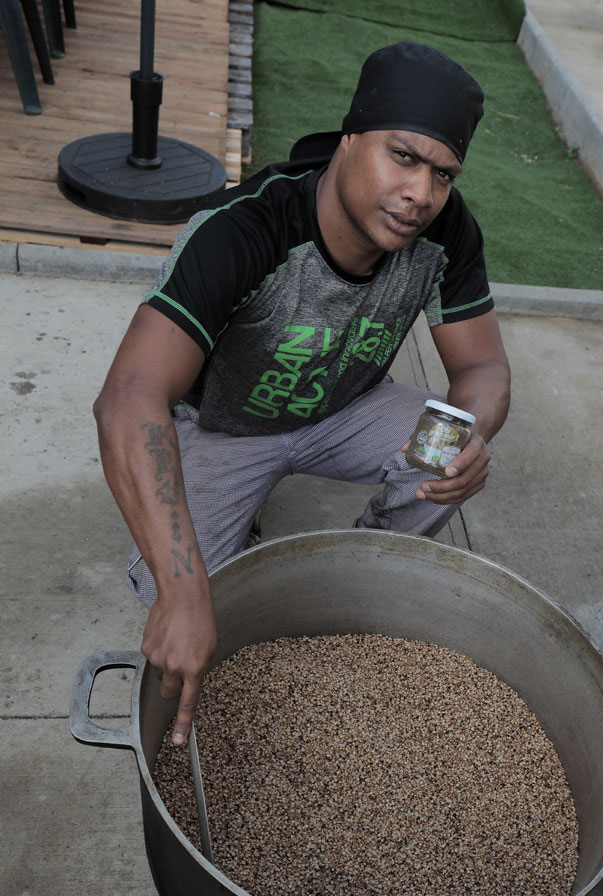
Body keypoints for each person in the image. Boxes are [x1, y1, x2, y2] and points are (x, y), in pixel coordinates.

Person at [93, 41, 511, 745]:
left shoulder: (445, 231)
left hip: (341, 410)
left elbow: (484, 369)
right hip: (223, 427)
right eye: (401, 157)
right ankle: (229, 527)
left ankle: (360, 574)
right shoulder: (243, 229)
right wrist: (184, 586)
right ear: (348, 140)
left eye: (441, 174)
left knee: (443, 445)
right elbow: (127, 398)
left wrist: (471, 429)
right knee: (166, 594)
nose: (419, 193)